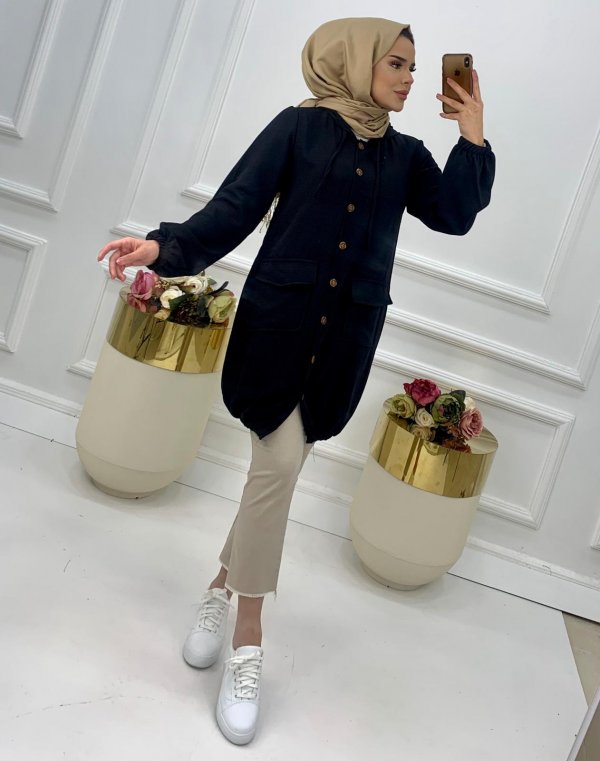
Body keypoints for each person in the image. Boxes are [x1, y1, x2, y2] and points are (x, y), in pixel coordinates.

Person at [97, 17, 495, 745]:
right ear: (354, 60)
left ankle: (219, 588)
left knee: (272, 478)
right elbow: (234, 209)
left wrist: (472, 137)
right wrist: (162, 246)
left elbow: (454, 215)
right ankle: (248, 640)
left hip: (343, 343)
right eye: (396, 63)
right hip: (278, 332)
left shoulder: (406, 156)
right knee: (278, 467)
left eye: (414, 67)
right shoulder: (298, 129)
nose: (409, 78)